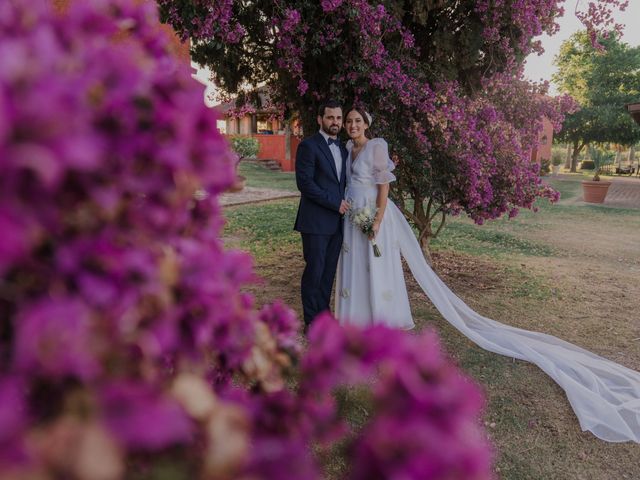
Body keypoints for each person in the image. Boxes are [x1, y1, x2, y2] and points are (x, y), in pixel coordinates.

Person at [336, 107, 640, 444]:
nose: (352, 126)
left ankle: (383, 318)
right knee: (356, 266)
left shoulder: (377, 144)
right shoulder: (349, 148)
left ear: (367, 123)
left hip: (374, 215)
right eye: (349, 122)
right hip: (353, 214)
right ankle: (358, 318)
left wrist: (377, 220)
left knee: (377, 268)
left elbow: (383, 187)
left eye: (357, 121)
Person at [294, 99, 349, 332]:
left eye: (338, 118)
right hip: (315, 221)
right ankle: (311, 322)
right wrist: (335, 203)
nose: (335, 122)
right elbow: (305, 184)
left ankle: (324, 317)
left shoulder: (345, 149)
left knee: (328, 273)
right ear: (320, 119)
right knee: (314, 272)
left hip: (337, 224)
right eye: (330, 117)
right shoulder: (309, 146)